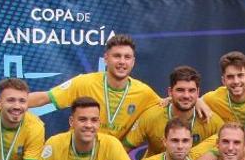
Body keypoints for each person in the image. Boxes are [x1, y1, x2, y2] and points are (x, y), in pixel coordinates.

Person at [28, 34, 159, 139]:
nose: (122, 62)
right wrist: (10, 104)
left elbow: (165, 108)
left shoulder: (144, 93)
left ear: (133, 62)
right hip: (75, 155)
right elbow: (44, 98)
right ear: (106, 58)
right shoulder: (84, 82)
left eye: (127, 57)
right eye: (117, 56)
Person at [124, 65, 223, 157]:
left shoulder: (210, 119)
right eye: (180, 90)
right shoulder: (151, 116)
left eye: (191, 90)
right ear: (170, 92)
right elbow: (125, 149)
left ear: (198, 93)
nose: (186, 96)